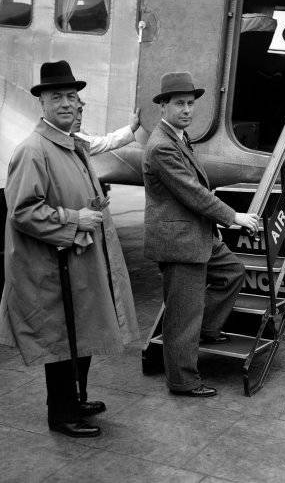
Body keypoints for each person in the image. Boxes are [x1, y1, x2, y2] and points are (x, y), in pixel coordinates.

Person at [0, 60, 139, 437]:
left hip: (80, 261)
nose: (67, 103)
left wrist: (90, 208)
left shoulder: (72, 144)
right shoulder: (33, 150)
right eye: (57, 96)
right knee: (63, 340)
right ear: (42, 103)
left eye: (72, 97)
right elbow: (23, 212)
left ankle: (77, 398)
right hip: (54, 265)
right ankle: (61, 413)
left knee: (85, 330)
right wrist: (73, 218)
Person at [143, 72, 259, 397]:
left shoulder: (180, 137)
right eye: (179, 103)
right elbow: (193, 192)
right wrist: (234, 217)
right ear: (163, 106)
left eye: (191, 103)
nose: (187, 109)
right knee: (182, 315)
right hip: (179, 242)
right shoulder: (162, 147)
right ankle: (183, 381)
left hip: (196, 234)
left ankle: (206, 329)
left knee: (232, 272)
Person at [72, 97, 141, 154]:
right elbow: (106, 143)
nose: (79, 117)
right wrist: (132, 128)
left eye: (80, 111)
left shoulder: (76, 136)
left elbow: (104, 142)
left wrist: (132, 128)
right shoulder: (74, 141)